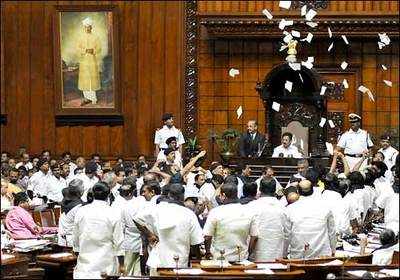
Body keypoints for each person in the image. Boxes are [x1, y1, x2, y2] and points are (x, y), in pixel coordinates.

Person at [135, 184, 204, 276]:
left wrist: (149, 234)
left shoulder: (157, 209)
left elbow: (136, 219)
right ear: (183, 197)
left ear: (169, 195)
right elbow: (195, 243)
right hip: (178, 264)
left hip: (158, 262)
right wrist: (199, 260)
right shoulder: (189, 214)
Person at [73, 182, 125, 279]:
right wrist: (122, 265)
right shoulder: (114, 212)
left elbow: (75, 239)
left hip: (85, 267)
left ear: (92, 193)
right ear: (109, 194)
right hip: (106, 266)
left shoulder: (81, 211)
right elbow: (119, 242)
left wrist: (78, 255)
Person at [203, 183, 258, 262]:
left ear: (224, 195)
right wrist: (248, 252)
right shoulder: (249, 211)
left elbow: (207, 237)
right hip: (241, 258)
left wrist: (208, 252)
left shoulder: (215, 212)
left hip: (219, 258)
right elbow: (255, 237)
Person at [283, 180, 336, 259]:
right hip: (322, 256)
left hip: (299, 256)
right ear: (313, 190)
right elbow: (332, 232)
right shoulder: (325, 207)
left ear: (298, 192)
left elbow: (287, 235)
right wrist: (333, 250)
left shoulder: (289, 209)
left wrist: (284, 254)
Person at [247, 179, 286, 261]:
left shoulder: (251, 207)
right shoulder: (283, 208)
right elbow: (287, 234)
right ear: (275, 190)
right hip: (277, 254)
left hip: (255, 255)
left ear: (260, 189)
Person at [77, 17, 101, 106]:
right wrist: (85, 50)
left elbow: (99, 48)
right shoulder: (81, 37)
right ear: (84, 27)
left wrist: (93, 50)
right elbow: (78, 48)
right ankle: (87, 98)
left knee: (92, 79)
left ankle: (93, 98)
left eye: (89, 26)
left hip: (92, 60)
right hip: (84, 61)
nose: (87, 28)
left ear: (91, 27)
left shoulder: (96, 37)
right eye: (86, 26)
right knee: (85, 80)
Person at [58, 179, 84, 247]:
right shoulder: (79, 206)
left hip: (63, 239)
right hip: (73, 241)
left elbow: (64, 191)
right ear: (80, 192)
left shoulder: (65, 200)